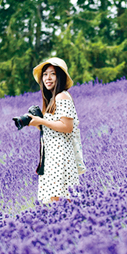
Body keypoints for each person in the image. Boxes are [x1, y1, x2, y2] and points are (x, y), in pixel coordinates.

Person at [27, 57, 86, 204]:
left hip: (61, 159)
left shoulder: (62, 96)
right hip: (52, 158)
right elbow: (54, 128)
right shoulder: (52, 101)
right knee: (55, 203)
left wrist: (41, 120)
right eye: (45, 74)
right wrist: (37, 124)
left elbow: (67, 127)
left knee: (62, 201)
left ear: (59, 76)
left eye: (52, 74)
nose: (48, 78)